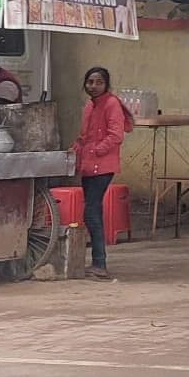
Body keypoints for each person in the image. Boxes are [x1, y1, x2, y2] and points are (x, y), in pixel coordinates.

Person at [71, 67, 132, 281]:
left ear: (106, 85)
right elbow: (84, 135)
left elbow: (116, 135)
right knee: (91, 211)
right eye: (90, 82)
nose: (93, 86)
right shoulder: (89, 106)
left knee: (92, 212)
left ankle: (100, 263)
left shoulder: (111, 104)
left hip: (103, 165)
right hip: (88, 165)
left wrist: (97, 150)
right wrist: (77, 148)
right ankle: (98, 262)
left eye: (98, 82)